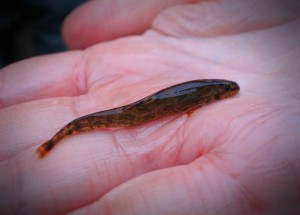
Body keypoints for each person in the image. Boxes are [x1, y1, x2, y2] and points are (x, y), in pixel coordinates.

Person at [1, 0, 300, 214]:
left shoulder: (209, 91)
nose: (229, 93)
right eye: (227, 91)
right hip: (136, 111)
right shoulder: (207, 92)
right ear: (217, 93)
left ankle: (58, 137)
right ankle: (59, 136)